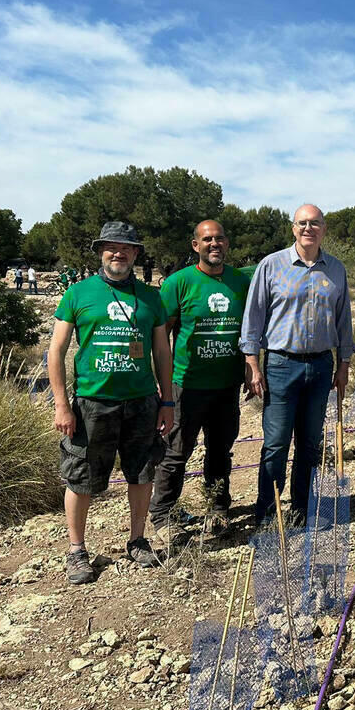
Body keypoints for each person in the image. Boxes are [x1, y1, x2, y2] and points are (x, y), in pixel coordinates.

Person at [48, 221, 174, 585]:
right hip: (92, 403)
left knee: (142, 471)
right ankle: (76, 550)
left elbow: (162, 352)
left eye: (126, 247)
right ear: (101, 251)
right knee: (81, 477)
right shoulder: (78, 293)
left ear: (136, 253)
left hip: (141, 402)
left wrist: (166, 400)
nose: (117, 253)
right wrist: (61, 404)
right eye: (110, 247)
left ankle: (137, 540)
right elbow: (56, 350)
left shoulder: (152, 297)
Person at [240, 204, 353, 525]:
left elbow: (344, 319)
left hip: (319, 367)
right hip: (280, 365)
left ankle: (301, 507)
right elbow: (254, 316)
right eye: (302, 223)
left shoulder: (335, 269)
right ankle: (266, 509)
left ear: (324, 229)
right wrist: (252, 363)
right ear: (293, 228)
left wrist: (343, 363)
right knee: (276, 443)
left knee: (309, 443)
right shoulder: (271, 265)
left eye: (315, 223)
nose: (308, 228)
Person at [150, 220, 251, 543]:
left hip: (226, 385)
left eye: (220, 238)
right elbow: (161, 334)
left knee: (220, 451)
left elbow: (250, 329)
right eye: (207, 240)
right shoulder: (178, 283)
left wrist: (252, 366)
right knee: (176, 453)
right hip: (186, 385)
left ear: (227, 243)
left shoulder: (239, 281)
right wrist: (162, 384)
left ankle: (217, 509)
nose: (214, 244)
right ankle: (163, 516)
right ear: (196, 245)